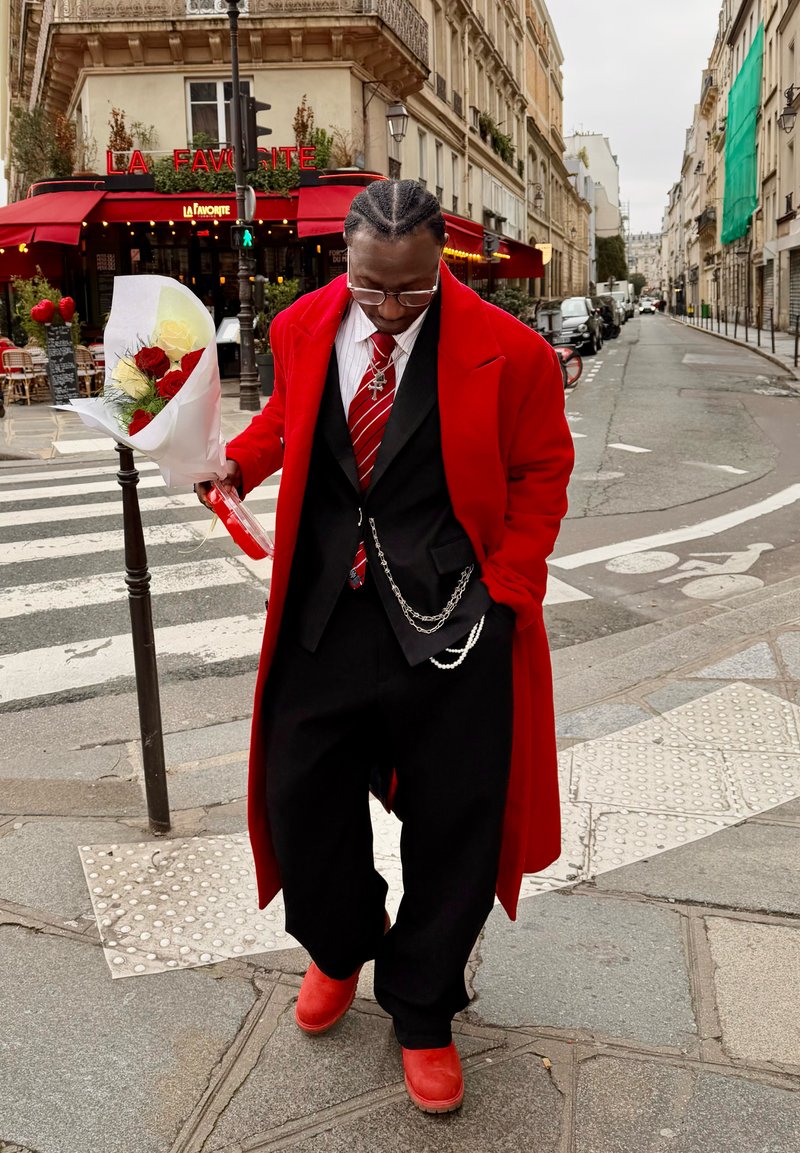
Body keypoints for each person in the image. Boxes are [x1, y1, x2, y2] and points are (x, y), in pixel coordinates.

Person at [196, 179, 573, 1113]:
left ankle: (422, 1005)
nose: (391, 308)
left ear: (440, 262)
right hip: (326, 609)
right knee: (300, 797)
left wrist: (507, 590)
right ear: (346, 261)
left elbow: (542, 472)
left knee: (457, 825)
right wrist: (237, 461)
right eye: (373, 287)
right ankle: (338, 942)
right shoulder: (304, 325)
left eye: (412, 289)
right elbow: (290, 416)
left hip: (454, 617)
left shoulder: (513, 353)